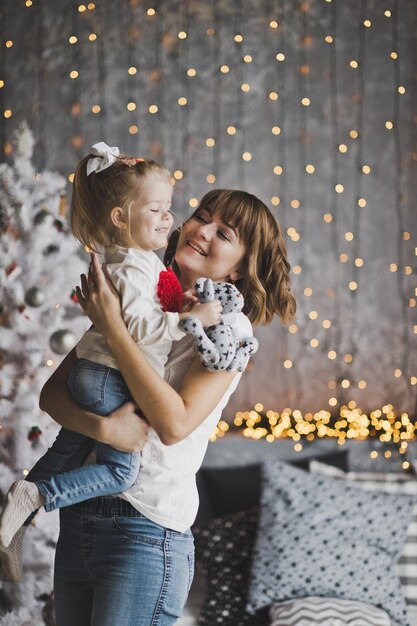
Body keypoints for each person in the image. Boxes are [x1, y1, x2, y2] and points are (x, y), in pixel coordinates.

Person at [4, 188, 296, 626]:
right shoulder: (142, 295)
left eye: (225, 232)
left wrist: (114, 329)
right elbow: (53, 394)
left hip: (146, 531)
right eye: (202, 215)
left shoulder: (227, 330)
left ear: (238, 269)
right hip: (80, 518)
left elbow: (174, 423)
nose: (202, 230)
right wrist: (103, 431)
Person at [0, 143, 223, 568]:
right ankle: (38, 495)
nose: (168, 219)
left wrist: (180, 305)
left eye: (168, 208)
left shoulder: (139, 265)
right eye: (155, 209)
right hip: (110, 379)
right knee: (122, 471)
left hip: (95, 373)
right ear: (120, 217)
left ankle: (17, 518)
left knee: (66, 452)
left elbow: (136, 319)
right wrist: (190, 317)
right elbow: (138, 329)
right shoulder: (136, 268)